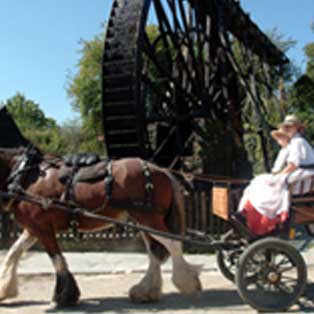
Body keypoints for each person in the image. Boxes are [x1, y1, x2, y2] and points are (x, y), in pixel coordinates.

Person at [238, 114, 314, 235]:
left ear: (297, 128)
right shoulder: (292, 143)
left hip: (302, 177)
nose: (288, 129)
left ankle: (265, 216)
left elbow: (293, 165)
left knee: (266, 183)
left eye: (291, 126)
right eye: (286, 127)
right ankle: (250, 211)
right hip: (298, 175)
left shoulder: (298, 142)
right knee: (259, 181)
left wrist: (277, 176)